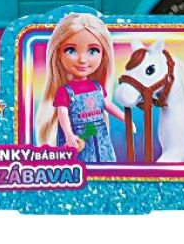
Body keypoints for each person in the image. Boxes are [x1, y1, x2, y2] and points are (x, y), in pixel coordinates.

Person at [34, 12, 125, 161]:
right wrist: (69, 135)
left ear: (104, 54)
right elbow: (62, 115)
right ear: (58, 54)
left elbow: (107, 105)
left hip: (100, 136)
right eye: (71, 50)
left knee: (104, 161)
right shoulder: (65, 91)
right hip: (77, 137)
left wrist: (125, 118)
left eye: (93, 51)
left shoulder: (97, 87)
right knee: (79, 164)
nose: (82, 60)